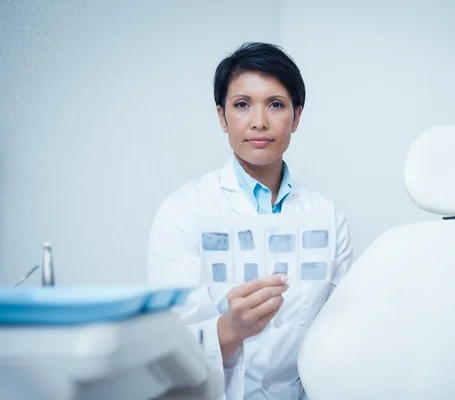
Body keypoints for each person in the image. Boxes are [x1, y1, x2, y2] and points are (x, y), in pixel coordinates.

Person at [146, 42, 353, 400]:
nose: (259, 121)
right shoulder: (183, 211)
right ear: (222, 118)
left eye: (276, 104)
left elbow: (340, 331)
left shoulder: (327, 215)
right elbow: (168, 352)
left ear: (297, 117)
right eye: (242, 105)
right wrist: (231, 329)